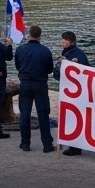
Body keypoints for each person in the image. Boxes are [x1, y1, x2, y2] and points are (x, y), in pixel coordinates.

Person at [14, 24, 55, 153]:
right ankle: (47, 145)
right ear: (40, 36)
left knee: (24, 114)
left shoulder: (20, 49)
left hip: (25, 84)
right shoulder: (45, 51)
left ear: (29, 35)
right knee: (43, 114)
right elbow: (49, 70)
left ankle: (25, 143)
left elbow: (18, 66)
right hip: (40, 84)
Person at [56, 31, 90, 155]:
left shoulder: (76, 54)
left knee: (73, 119)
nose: (64, 42)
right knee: (71, 118)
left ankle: (75, 147)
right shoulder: (68, 53)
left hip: (76, 93)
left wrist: (67, 63)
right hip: (71, 92)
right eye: (63, 40)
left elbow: (85, 71)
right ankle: (73, 145)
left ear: (72, 42)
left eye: (66, 41)